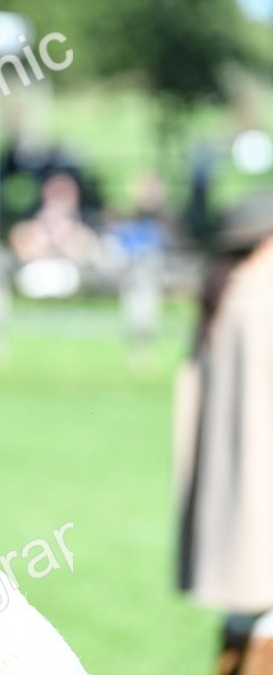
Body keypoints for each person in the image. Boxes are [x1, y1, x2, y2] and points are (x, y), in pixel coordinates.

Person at [176, 191, 273, 675]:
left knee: (247, 609)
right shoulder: (261, 302)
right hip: (263, 487)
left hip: (238, 493)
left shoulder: (224, 299)